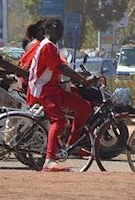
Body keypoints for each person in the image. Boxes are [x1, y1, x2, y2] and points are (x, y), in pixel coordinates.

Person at [29, 18, 93, 172]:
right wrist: (82, 80)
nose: (59, 31)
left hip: (54, 88)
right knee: (59, 121)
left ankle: (72, 145)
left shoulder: (54, 46)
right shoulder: (47, 46)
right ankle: (49, 161)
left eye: (61, 28)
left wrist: (81, 76)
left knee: (84, 107)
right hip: (44, 89)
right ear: (46, 31)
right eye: (55, 28)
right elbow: (60, 68)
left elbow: (64, 66)